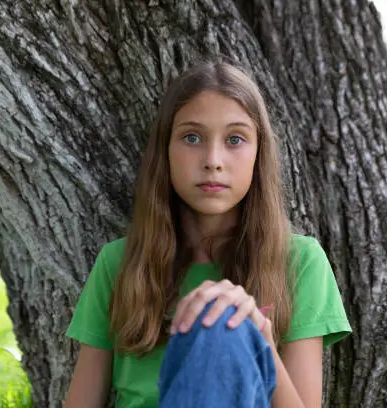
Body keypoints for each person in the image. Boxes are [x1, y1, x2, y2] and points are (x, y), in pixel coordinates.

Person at [63, 60, 352, 408]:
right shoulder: (120, 263)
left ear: (259, 154)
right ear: (165, 152)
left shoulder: (300, 262)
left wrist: (257, 334)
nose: (213, 159)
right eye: (192, 137)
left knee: (223, 324)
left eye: (235, 139)